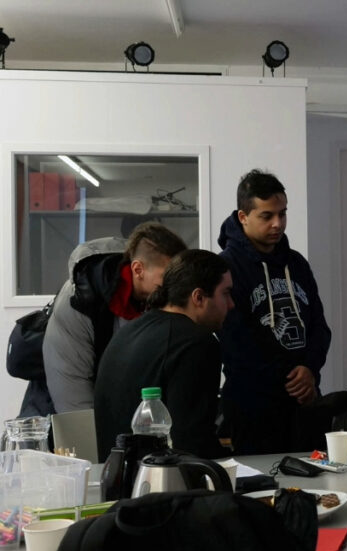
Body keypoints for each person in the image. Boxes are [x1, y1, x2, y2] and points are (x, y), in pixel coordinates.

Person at [217, 169, 332, 455]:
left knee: (312, 484)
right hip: (253, 405)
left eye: (282, 214)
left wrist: (310, 370)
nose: (277, 224)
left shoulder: (297, 264)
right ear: (243, 217)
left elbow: (319, 325)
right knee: (262, 490)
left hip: (304, 400)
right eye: (266, 216)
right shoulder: (225, 267)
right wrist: (292, 378)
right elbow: (236, 340)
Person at [94, 249, 233, 461]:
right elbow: (192, 443)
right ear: (198, 297)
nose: (231, 304)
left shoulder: (130, 330)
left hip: (115, 477)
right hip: (163, 482)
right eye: (226, 293)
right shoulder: (197, 343)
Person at [43, 221, 187, 413]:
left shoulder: (156, 299)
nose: (175, 286)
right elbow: (73, 396)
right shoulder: (78, 302)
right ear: (138, 270)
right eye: (167, 277)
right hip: (63, 407)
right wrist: (92, 440)